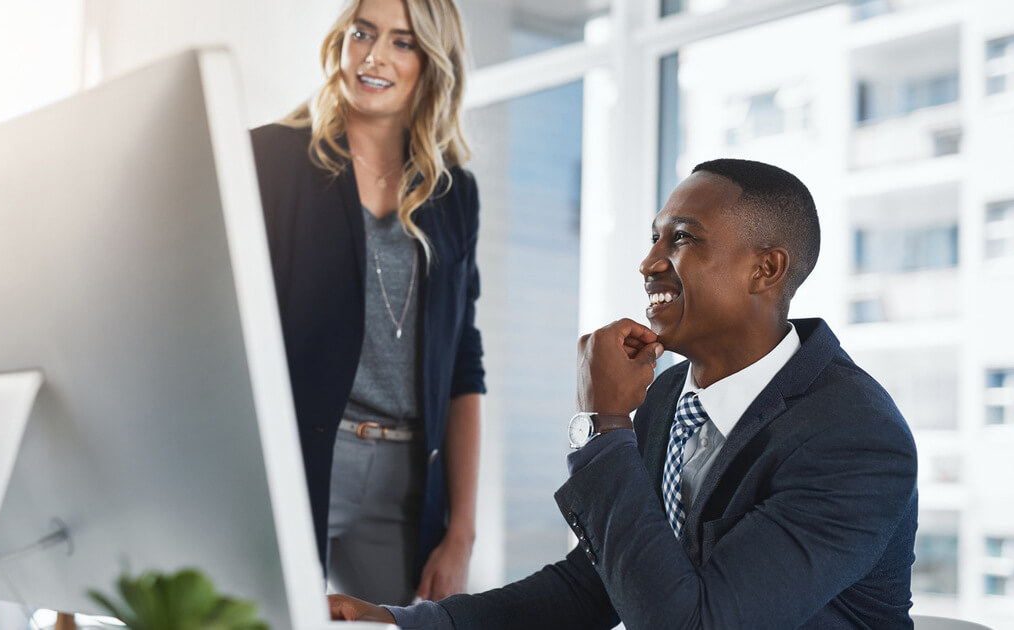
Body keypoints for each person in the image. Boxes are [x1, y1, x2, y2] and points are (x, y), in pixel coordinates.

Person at [329, 159, 919, 628]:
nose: (649, 263)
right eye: (654, 238)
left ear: (765, 269)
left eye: (681, 239)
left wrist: (605, 421)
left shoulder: (856, 438)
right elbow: (595, 583)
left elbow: (692, 624)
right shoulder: (669, 399)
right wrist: (401, 622)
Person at [250, 0, 484, 606]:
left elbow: (463, 360)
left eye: (402, 43)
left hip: (409, 477)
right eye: (363, 33)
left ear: (431, 63)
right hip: (300, 457)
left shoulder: (454, 193)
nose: (374, 56)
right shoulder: (271, 160)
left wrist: (461, 532)